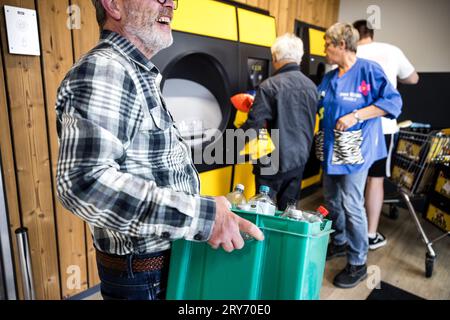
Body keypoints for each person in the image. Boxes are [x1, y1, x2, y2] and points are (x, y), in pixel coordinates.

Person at [55, 0, 263, 300]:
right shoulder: (106, 69)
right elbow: (84, 183)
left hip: (157, 270)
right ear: (113, 4)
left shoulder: (138, 73)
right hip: (144, 278)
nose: (170, 3)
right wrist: (205, 217)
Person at [317, 23, 402, 288]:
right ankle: (340, 241)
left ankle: (358, 262)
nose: (324, 51)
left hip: (357, 148)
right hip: (332, 148)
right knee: (331, 198)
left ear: (341, 45)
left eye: (327, 45)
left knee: (352, 203)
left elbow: (393, 102)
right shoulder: (331, 77)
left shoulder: (368, 71)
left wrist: (356, 115)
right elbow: (314, 100)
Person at [353, 20, 419, 250]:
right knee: (375, 179)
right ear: (371, 33)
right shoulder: (391, 50)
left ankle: (348, 231)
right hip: (382, 126)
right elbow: (413, 78)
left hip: (352, 125)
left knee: (351, 179)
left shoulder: (349, 52)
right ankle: (370, 234)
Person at [241, 33, 318, 211]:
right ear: (299, 57)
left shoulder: (269, 86)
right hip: (299, 159)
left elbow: (254, 126)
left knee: (264, 210)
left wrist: (227, 143)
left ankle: (264, 239)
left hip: (271, 162)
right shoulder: (311, 87)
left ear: (275, 57)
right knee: (288, 211)